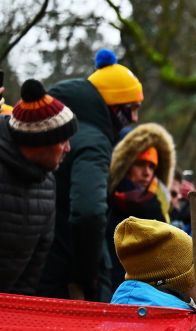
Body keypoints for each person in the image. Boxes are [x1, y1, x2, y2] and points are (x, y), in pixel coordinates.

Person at [38, 49, 144, 302]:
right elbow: (89, 212)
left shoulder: (65, 129)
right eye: (133, 108)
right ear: (116, 106)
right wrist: (86, 276)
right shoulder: (94, 142)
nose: (135, 118)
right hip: (66, 278)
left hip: (44, 264)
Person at [0, 79, 77, 294]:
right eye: (63, 141)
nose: (68, 149)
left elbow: (34, 267)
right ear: (39, 142)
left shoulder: (48, 183)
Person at [107, 122, 176, 287]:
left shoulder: (158, 206)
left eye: (152, 167)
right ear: (127, 165)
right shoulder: (107, 201)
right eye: (140, 164)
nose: (147, 173)